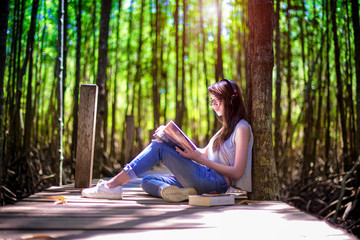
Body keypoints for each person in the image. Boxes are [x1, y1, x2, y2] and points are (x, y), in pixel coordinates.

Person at [82, 79, 254, 202]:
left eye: (217, 100)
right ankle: (185, 193)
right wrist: (174, 139)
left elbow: (237, 172)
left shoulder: (242, 129)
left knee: (159, 147)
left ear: (231, 100)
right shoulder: (223, 132)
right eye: (212, 101)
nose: (214, 104)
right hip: (205, 177)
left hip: (218, 182)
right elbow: (202, 153)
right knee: (147, 181)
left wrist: (201, 160)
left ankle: (112, 186)